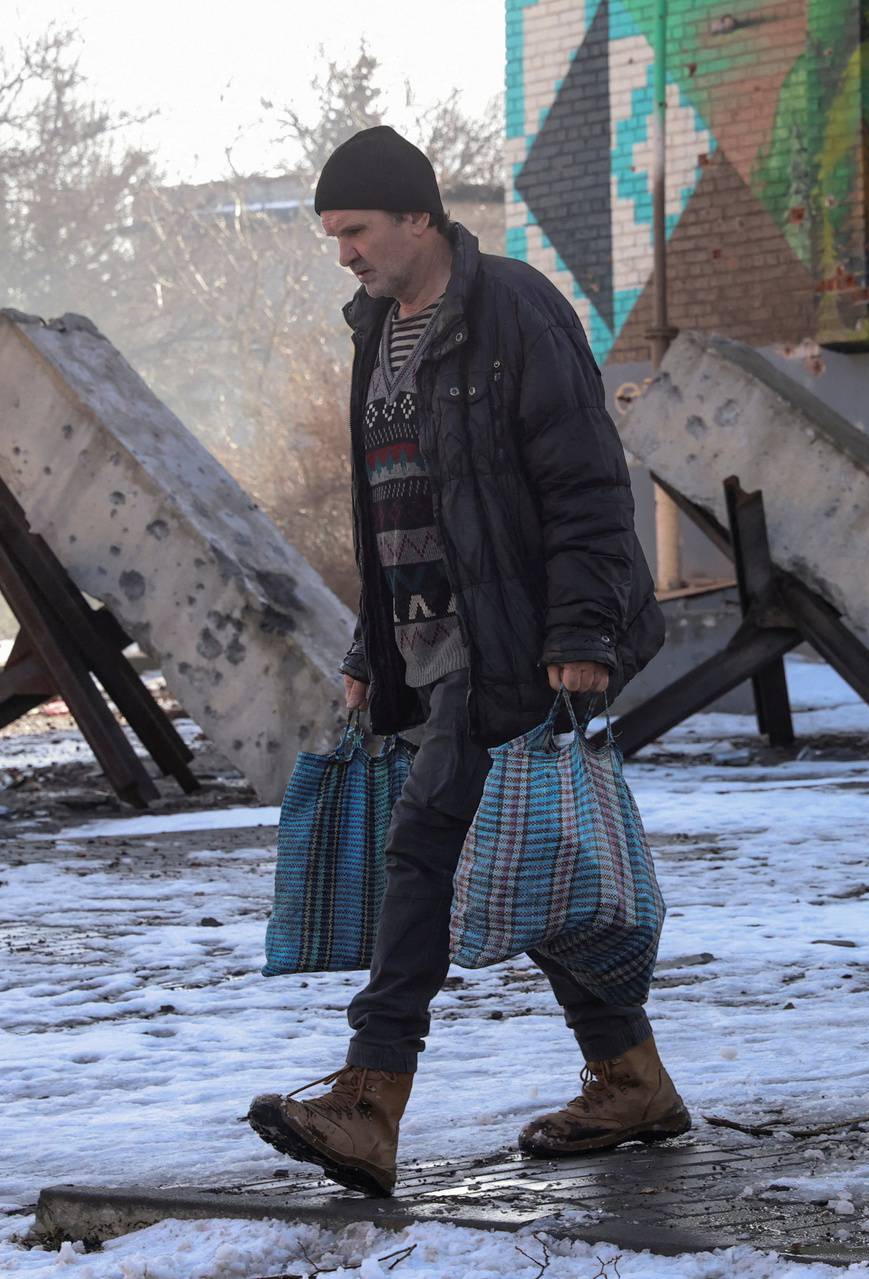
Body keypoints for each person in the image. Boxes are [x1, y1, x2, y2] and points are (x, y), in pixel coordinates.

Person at [245, 126, 682, 1198]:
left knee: (425, 850)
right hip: (434, 643)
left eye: (355, 229)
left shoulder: (513, 311)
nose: (342, 252)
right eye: (332, 234)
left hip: (521, 635)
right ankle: (630, 1077)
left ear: (419, 218)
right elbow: (392, 504)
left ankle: (370, 1098)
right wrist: (369, 642)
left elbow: (585, 485)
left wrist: (578, 635)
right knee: (524, 856)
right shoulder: (374, 333)